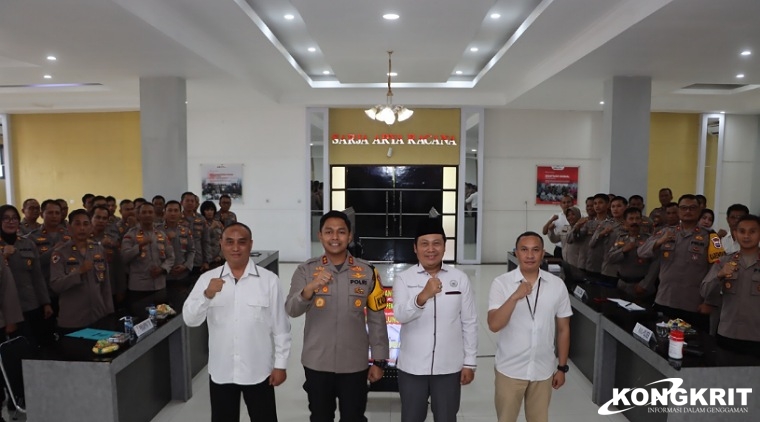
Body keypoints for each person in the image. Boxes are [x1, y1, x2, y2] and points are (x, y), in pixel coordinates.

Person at [285, 210, 389, 422]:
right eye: (329, 232)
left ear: (349, 236)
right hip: (317, 362)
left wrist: (379, 360)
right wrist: (309, 289)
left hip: (354, 363)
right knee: (320, 417)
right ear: (320, 236)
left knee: (353, 417)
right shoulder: (305, 271)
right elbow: (292, 309)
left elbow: (377, 318)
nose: (335, 237)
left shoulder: (368, 271)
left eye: (341, 232)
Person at [184, 223, 291, 422]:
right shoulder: (207, 279)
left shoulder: (269, 281)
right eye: (229, 242)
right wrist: (207, 295)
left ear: (250, 245)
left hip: (259, 371)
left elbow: (281, 327)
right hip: (221, 370)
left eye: (241, 243)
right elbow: (190, 319)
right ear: (221, 244)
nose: (235, 248)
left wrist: (281, 365)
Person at [393, 219, 478, 422]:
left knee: (447, 418)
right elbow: (400, 314)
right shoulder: (404, 279)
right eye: (424, 243)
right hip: (412, 367)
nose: (431, 249)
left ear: (444, 246)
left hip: (449, 367)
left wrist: (470, 362)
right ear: (415, 248)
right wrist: (422, 296)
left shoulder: (459, 278)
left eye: (436, 243)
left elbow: (469, 321)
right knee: (411, 417)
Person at [487, 231, 572, 422]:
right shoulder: (501, 283)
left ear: (543, 253)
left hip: (543, 370)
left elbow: (563, 329)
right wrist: (515, 296)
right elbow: (494, 325)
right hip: (510, 369)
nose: (530, 255)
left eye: (536, 250)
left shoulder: (557, 285)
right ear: (516, 253)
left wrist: (561, 367)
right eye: (524, 250)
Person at [638, 194, 724, 331]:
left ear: (699, 211)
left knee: (693, 347)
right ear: (679, 211)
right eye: (684, 208)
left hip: (694, 305)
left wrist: (710, 301)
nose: (688, 211)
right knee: (661, 345)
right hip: (665, 300)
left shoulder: (712, 238)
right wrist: (659, 242)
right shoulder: (666, 232)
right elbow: (641, 252)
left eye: (692, 208)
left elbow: (717, 272)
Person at [700, 215, 760, 354]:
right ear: (735, 234)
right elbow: (704, 291)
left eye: (752, 231)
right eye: (742, 231)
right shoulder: (724, 261)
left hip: (756, 336)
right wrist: (719, 275)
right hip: (728, 333)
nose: (746, 236)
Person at [50, 210, 113, 333]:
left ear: (90, 227)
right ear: (69, 227)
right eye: (77, 224)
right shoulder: (60, 253)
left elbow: (106, 284)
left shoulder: (97, 249)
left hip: (98, 315)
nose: (82, 228)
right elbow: (56, 285)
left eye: (85, 224)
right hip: (73, 319)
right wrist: (79, 272)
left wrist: (109, 310)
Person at [0, 205, 53, 348]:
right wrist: (3, 256)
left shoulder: (27, 243)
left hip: (30, 304)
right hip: (6, 312)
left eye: (14, 218)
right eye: (5, 218)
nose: (11, 221)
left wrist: (45, 303)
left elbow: (37, 276)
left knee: (35, 347)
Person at [121, 203, 175, 300]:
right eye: (144, 212)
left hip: (159, 285)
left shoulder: (161, 235)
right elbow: (124, 257)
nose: (147, 215)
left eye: (150, 212)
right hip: (139, 287)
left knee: (160, 313)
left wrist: (162, 268)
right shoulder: (130, 234)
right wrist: (139, 246)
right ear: (138, 215)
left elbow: (171, 257)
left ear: (154, 215)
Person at [607, 207, 657, 297]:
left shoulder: (649, 239)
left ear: (641, 221)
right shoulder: (621, 238)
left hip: (641, 285)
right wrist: (623, 250)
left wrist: (645, 285)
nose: (634, 222)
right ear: (625, 221)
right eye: (631, 219)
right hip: (622, 284)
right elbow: (610, 259)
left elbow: (655, 264)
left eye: (637, 218)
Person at [594, 196, 628, 287]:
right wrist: (602, 234)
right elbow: (592, 243)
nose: (615, 209)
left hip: (625, 271)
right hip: (608, 269)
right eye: (613, 206)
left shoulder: (631, 225)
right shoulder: (605, 224)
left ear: (626, 207)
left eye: (618, 206)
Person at [162, 201, 195, 283]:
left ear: (180, 213)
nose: (173, 213)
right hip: (162, 276)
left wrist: (185, 266)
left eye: (176, 210)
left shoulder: (186, 230)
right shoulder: (157, 230)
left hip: (182, 275)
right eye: (170, 210)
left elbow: (191, 250)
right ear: (164, 212)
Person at [581, 193, 610, 282]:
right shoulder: (588, 223)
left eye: (600, 203)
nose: (597, 206)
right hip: (590, 264)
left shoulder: (611, 223)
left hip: (607, 265)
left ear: (608, 205)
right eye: (595, 203)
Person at [181, 191, 210, 278]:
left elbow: (206, 241)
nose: (190, 203)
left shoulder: (201, 219)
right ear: (181, 202)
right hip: (181, 260)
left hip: (197, 261)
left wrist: (206, 261)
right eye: (187, 201)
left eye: (192, 201)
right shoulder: (176, 219)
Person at [201, 200, 225, 268]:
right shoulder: (201, 223)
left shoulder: (219, 223)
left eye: (211, 210)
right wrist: (211, 227)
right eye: (207, 210)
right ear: (203, 211)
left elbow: (224, 241)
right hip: (205, 259)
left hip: (218, 258)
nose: (209, 212)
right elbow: (202, 239)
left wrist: (220, 256)